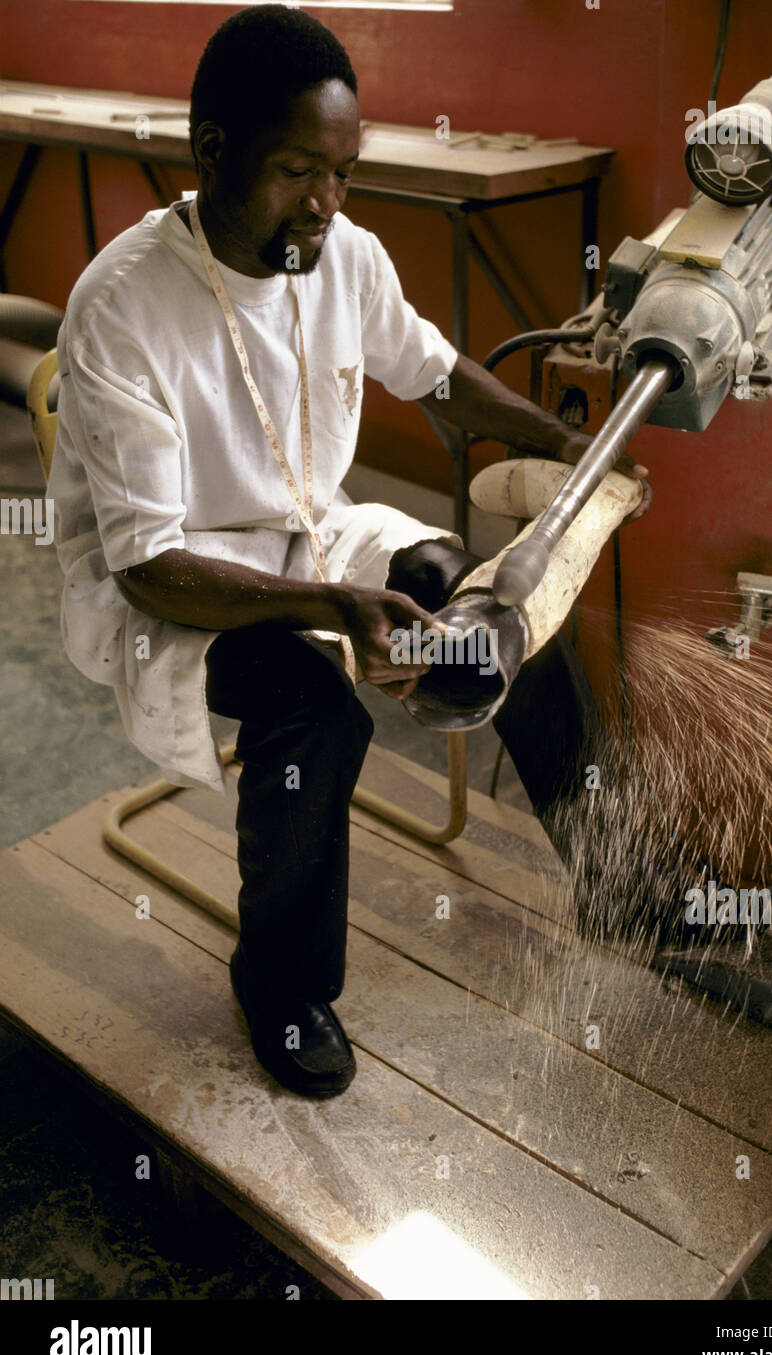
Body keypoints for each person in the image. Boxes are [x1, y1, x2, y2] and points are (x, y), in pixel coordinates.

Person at [47, 5, 649, 1099]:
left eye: (344, 171)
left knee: (490, 608)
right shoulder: (121, 307)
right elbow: (146, 565)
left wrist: (567, 444)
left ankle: (617, 881)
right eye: (296, 170)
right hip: (172, 583)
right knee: (313, 707)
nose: (326, 202)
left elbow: (436, 371)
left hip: (311, 533)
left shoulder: (340, 252)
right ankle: (280, 985)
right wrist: (331, 605)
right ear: (212, 149)